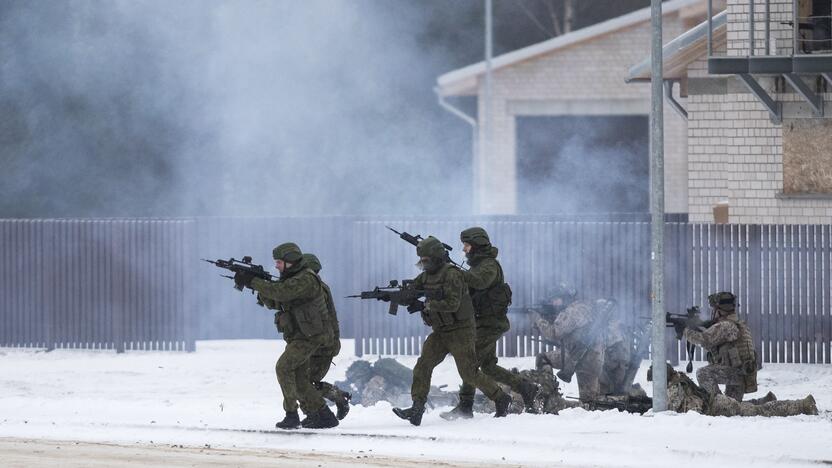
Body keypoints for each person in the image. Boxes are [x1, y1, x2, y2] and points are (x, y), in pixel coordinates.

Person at [392, 236, 513, 426]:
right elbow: (414, 291)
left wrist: (427, 305)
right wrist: (398, 297)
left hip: (461, 331)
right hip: (440, 331)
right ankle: (417, 408)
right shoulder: (426, 276)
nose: (423, 263)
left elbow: (452, 303)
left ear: (436, 257)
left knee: (469, 373)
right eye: (421, 260)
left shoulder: (452, 274)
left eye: (425, 260)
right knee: (423, 366)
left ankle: (500, 398)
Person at [235, 242, 338, 430]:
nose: (276, 266)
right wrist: (255, 284)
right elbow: (277, 301)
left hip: (311, 336)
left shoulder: (306, 278)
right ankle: (322, 416)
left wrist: (254, 281)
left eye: (279, 262)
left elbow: (281, 293)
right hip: (301, 335)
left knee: (283, 367)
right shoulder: (292, 278)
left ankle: (292, 415)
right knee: (299, 379)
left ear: (290, 262)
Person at [441, 227, 539, 420]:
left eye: (467, 245)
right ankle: (526, 388)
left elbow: (479, 282)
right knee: (488, 367)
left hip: (490, 324)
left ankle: (468, 405)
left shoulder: (489, 266)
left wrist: (454, 270)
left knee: (468, 364)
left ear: (477, 245)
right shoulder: (479, 265)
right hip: (483, 322)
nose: (464, 249)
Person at [530, 283, 609, 401]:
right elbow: (570, 329)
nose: (553, 303)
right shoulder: (582, 306)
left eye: (556, 299)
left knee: (589, 402)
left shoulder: (571, 312)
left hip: (584, 359)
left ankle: (548, 398)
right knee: (543, 358)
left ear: (565, 298)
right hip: (593, 356)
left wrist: (538, 319)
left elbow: (553, 333)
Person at [649, 364, 818, 417]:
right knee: (755, 409)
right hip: (718, 402)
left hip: (718, 407)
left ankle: (802, 405)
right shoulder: (679, 379)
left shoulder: (674, 387)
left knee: (761, 412)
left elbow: (675, 410)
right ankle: (795, 404)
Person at [301, 253, 351, 421]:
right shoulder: (317, 287)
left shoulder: (316, 290)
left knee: (303, 383)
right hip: (315, 344)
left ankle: (315, 413)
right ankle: (337, 398)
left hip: (322, 346)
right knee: (304, 381)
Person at [683, 291, 757, 402]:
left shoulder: (725, 326)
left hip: (735, 374)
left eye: (714, 309)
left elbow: (704, 340)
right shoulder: (739, 323)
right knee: (734, 408)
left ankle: (718, 403)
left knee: (703, 373)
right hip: (742, 374)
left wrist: (684, 331)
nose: (713, 313)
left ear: (719, 310)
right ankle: (764, 401)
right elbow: (715, 343)